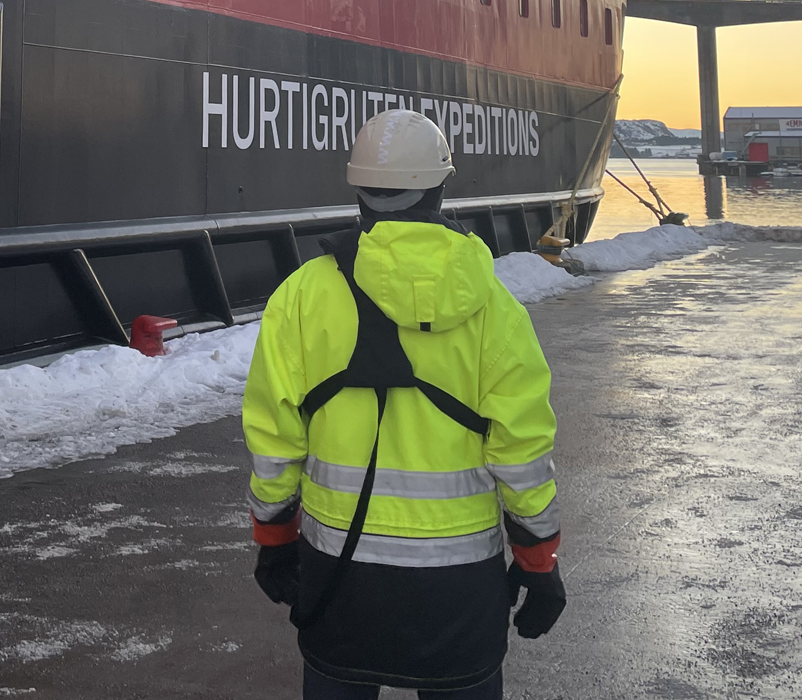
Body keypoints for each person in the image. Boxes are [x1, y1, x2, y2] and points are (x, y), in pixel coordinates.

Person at [242, 109, 565, 698]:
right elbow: (522, 453)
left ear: (358, 189)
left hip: (338, 575)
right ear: (440, 188)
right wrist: (539, 562)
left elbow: (274, 442)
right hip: (458, 586)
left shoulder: (301, 298)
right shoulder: (494, 308)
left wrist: (274, 542)